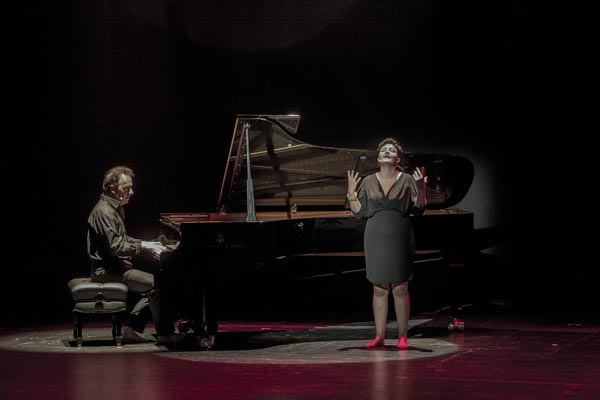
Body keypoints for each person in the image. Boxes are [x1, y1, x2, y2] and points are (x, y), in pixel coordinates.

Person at [347, 138, 427, 350]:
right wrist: (351, 191)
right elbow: (358, 212)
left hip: (399, 235)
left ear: (397, 158)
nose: (386, 151)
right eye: (383, 149)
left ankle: (403, 337)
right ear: (379, 156)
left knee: (400, 287)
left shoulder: (408, 179)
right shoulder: (367, 180)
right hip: (375, 236)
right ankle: (379, 336)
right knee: (379, 288)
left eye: (391, 150)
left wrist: (421, 188)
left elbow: (418, 209)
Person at [86, 165, 179, 344]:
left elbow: (123, 238)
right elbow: (115, 247)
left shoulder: (114, 207)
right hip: (106, 271)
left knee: (159, 283)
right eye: (126, 188)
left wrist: (146, 243)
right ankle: (165, 334)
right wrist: (142, 248)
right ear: (112, 189)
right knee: (158, 285)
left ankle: (132, 329)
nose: (132, 191)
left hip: (115, 267)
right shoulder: (104, 212)